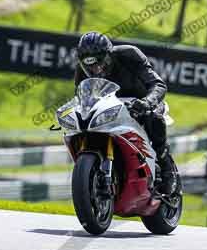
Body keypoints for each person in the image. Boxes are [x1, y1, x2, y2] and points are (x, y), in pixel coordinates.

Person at [74, 31, 177, 195]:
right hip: (113, 108)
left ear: (110, 54)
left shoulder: (130, 54)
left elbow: (158, 84)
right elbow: (81, 99)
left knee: (153, 118)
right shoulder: (82, 72)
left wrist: (147, 102)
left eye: (100, 63)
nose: (96, 70)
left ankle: (166, 167)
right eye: (90, 66)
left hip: (142, 102)